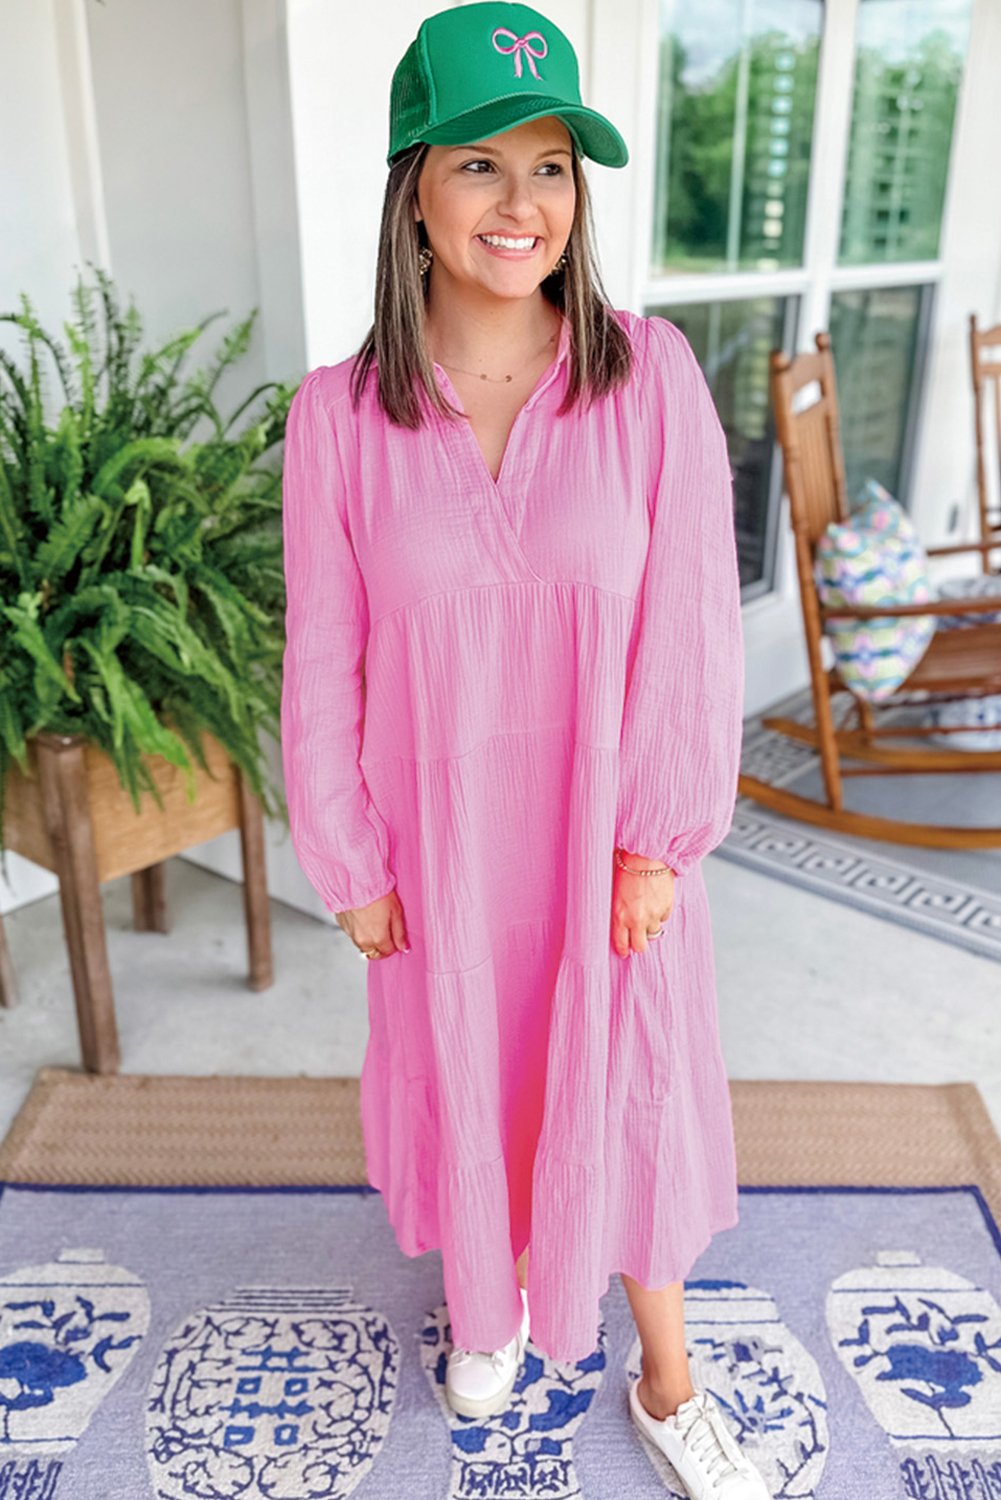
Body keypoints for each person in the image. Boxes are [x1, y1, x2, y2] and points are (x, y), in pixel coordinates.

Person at [280, 3, 768, 1495]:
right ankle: (486, 1309)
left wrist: (656, 836)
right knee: (469, 1074)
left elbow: (692, 624)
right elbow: (323, 652)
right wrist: (349, 859)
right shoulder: (337, 417)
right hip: (438, 843)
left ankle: (667, 1377)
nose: (521, 204)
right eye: (480, 163)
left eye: (550, 166)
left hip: (602, 839)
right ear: (413, 188)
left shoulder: (649, 379)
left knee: (626, 1084)